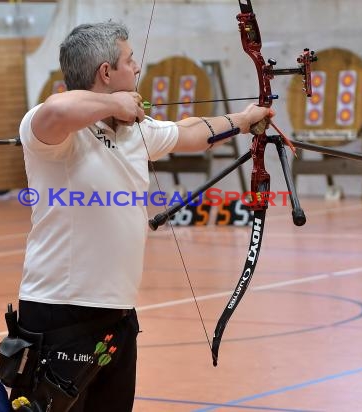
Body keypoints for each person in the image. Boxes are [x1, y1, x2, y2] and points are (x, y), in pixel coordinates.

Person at [14, 21, 273, 412]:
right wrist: (114, 104)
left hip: (116, 316)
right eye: (130, 60)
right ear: (106, 72)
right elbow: (56, 109)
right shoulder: (55, 134)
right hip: (59, 313)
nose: (137, 69)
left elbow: (189, 132)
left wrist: (243, 120)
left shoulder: (135, 132)